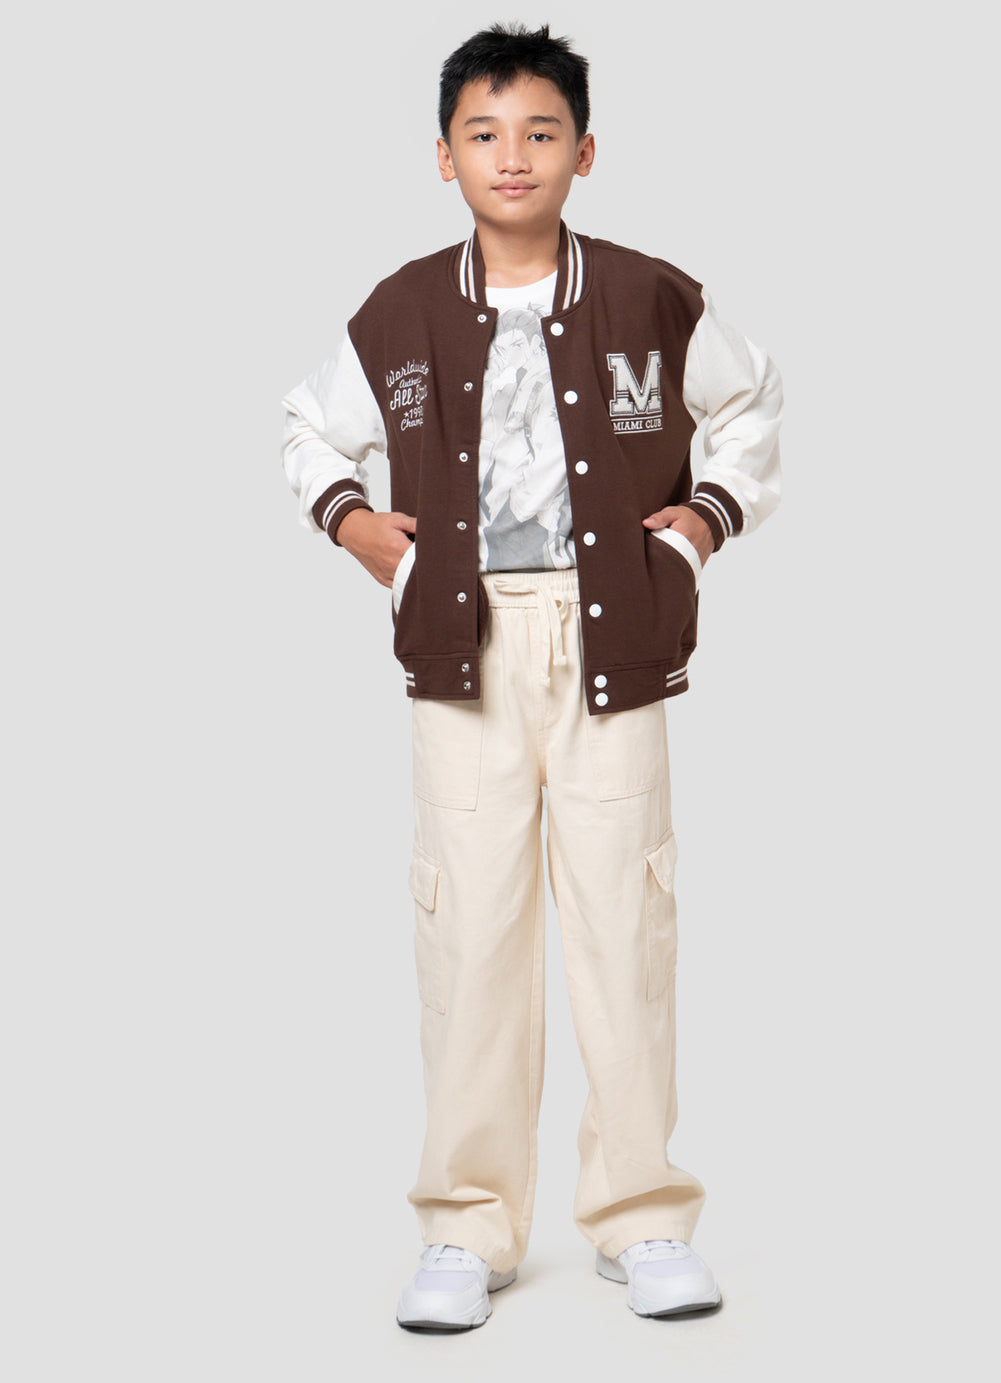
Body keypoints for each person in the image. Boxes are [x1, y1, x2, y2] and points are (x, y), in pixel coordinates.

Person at [281, 22, 782, 1330]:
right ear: (443, 157)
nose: (514, 156)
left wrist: (701, 523)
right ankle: (466, 1227)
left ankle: (643, 1216)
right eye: (484, 133)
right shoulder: (402, 309)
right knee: (471, 932)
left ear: (585, 152)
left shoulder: (648, 295)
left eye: (541, 132)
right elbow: (307, 428)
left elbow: (751, 405)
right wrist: (359, 527)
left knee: (626, 926)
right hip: (466, 651)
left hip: (610, 647)